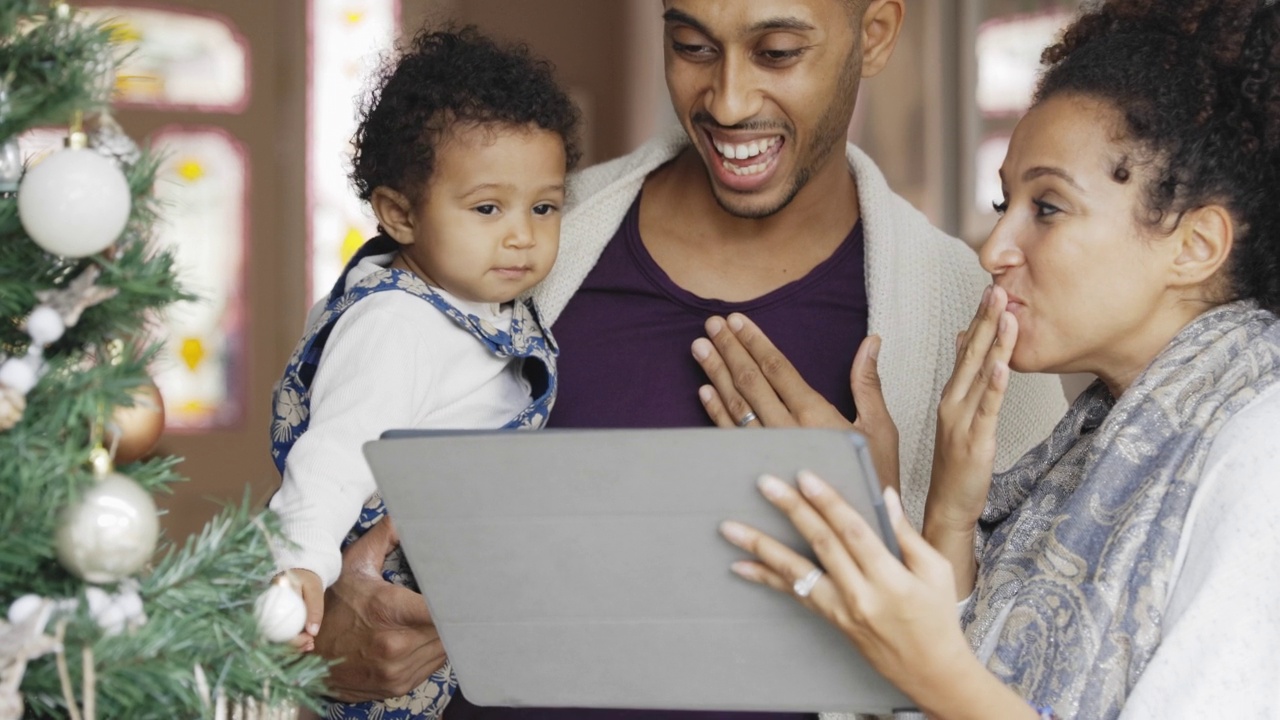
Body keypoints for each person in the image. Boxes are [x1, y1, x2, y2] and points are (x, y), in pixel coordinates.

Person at [311, 2, 1068, 718]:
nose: (729, 101)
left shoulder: (973, 318)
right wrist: (320, 635)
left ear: (873, 33)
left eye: (777, 52)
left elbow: (1036, 679)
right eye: (691, 46)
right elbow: (320, 473)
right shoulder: (513, 236)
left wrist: (887, 522)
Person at [713, 0, 1280, 717]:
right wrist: (946, 510)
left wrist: (923, 665)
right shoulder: (1091, 445)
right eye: (1003, 201)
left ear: (1195, 246)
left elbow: (950, 683)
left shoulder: (1262, 446)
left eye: (1047, 208)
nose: (994, 250)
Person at [266, 26, 581, 720]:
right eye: (488, 208)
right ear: (400, 214)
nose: (523, 235)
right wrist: (298, 569)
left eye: (545, 207)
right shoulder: (395, 324)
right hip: (387, 612)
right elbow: (331, 460)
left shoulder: (474, 299)